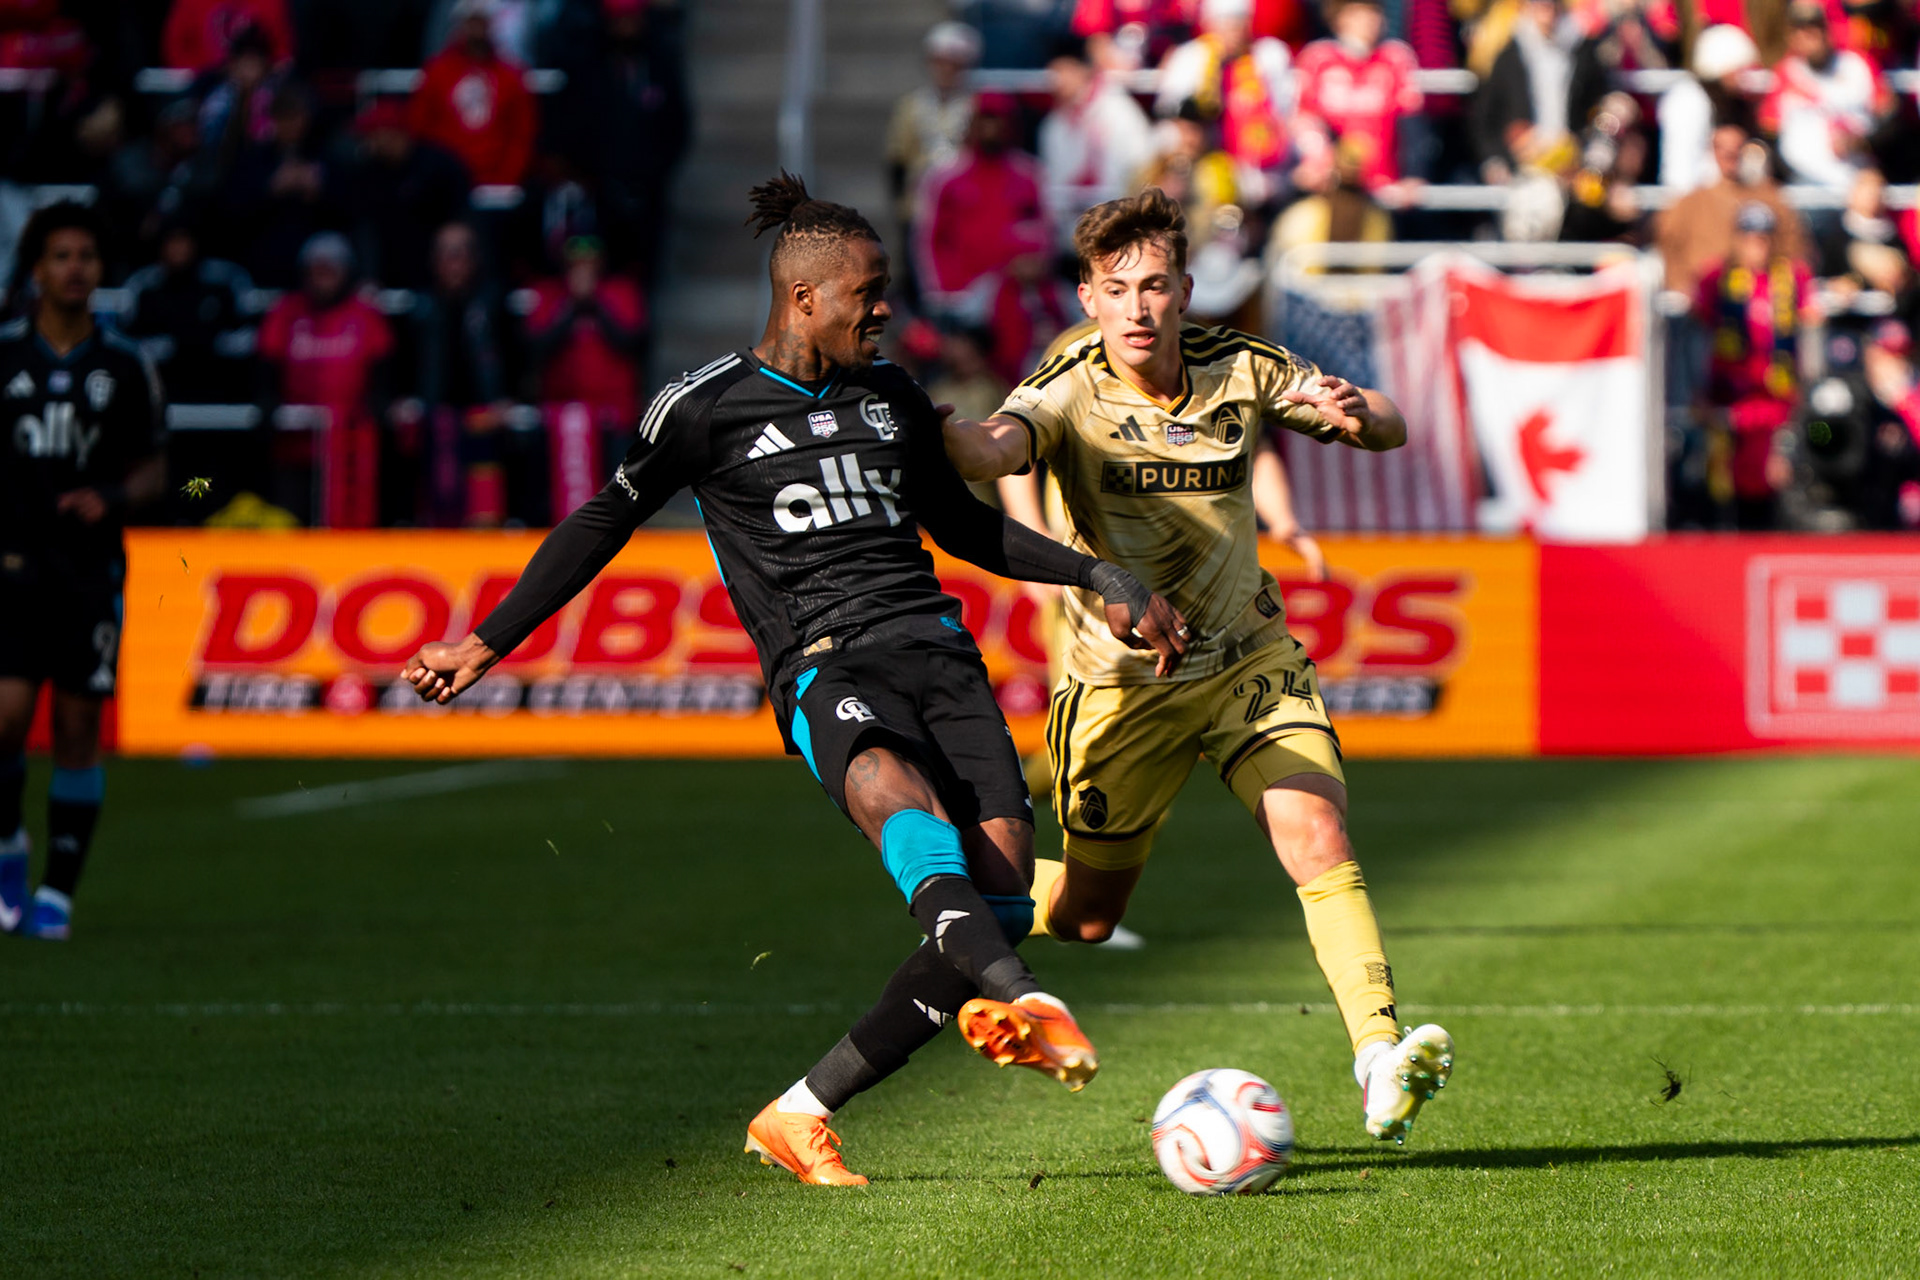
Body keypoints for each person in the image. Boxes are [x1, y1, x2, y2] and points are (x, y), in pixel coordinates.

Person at [399, 174, 1191, 1185]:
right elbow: (603, 520)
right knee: (902, 808)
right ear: (805, 297)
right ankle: (1026, 998)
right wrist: (488, 637)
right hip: (823, 660)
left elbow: (961, 527)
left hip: (939, 655)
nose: (887, 309)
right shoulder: (702, 407)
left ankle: (802, 1109)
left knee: (993, 902)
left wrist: (1096, 571)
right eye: (870, 292)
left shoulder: (894, 394)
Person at [940, 189, 1456, 1145]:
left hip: (1245, 662)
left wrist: (1357, 411)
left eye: (1155, 287)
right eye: (1117, 289)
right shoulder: (1066, 385)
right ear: (1089, 297)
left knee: (1316, 832)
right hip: (1120, 689)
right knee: (1090, 917)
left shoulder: (1242, 368)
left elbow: (1386, 424)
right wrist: (939, 436)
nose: (1138, 308)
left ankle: (1379, 1055)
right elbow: (995, 445)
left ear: (1184, 289)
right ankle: (956, 891)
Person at [0, 201, 166, 941]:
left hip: (89, 570)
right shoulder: (4, 357)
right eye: (61, 256)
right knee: (3, 720)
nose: (75, 269)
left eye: (86, 257)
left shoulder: (125, 364)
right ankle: (9, 844)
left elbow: (161, 470)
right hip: (10, 564)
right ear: (36, 269)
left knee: (75, 728)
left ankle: (57, 896)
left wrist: (114, 496)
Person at [256, 233, 394, 528]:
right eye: (316, 270)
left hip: (350, 447)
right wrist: (268, 401)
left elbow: (383, 367)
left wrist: (378, 403)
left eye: (330, 270)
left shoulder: (365, 314)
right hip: (294, 444)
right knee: (290, 521)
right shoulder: (286, 311)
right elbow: (267, 361)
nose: (323, 278)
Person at [1695, 201, 1818, 530]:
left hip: (1779, 409)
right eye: (1749, 235)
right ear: (1737, 238)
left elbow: (1811, 331)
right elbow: (1695, 338)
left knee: (1782, 490)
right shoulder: (1716, 279)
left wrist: (1805, 399)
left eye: (1764, 236)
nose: (1757, 244)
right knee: (1722, 491)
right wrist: (1702, 397)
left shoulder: (1792, 277)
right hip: (1731, 408)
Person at [1291, 0, 1424, 197]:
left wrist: (1413, 174)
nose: (1369, 21)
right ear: (1340, 18)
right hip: (1330, 183)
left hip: (1384, 185)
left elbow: (1412, 123)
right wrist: (1318, 162)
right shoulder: (1317, 58)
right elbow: (1305, 119)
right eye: (1359, 14)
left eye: (1374, 13)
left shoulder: (1396, 57)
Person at [1036, 41, 1156, 249]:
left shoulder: (1120, 112)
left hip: (1119, 232)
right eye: (1053, 74)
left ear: (1084, 70)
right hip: (1071, 238)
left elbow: (1143, 169)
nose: (1058, 82)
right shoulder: (1054, 125)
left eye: (1064, 72)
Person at [409, 0, 539, 187]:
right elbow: (421, 127)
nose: (477, 29)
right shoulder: (436, 72)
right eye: (471, 22)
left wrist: (506, 178)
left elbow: (522, 133)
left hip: (497, 181)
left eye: (482, 21)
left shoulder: (512, 76)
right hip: (444, 182)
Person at [1762, 1, 1885, 190]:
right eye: (1799, 30)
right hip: (1806, 182)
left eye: (1814, 28)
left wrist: (1861, 142)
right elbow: (1769, 128)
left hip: (1858, 182)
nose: (1808, 36)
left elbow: (1891, 122)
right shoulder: (1785, 73)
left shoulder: (1857, 65)